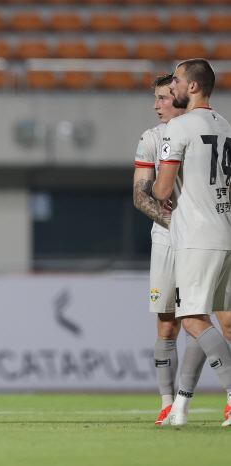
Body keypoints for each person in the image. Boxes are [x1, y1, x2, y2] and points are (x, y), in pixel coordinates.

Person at [152, 59, 231, 426]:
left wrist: (157, 188)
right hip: (225, 231)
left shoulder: (179, 126)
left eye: (178, 82)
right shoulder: (224, 125)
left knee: (192, 321)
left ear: (193, 87)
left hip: (196, 236)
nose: (173, 88)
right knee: (214, 317)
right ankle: (184, 406)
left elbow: (163, 188)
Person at [133, 74, 207, 425]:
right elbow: (140, 194)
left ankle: (192, 399)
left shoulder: (207, 130)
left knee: (203, 319)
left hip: (205, 238)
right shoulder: (150, 138)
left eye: (163, 97)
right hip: (166, 239)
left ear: (179, 96)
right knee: (167, 325)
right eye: (156, 98)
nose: (156, 104)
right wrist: (173, 224)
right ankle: (167, 402)